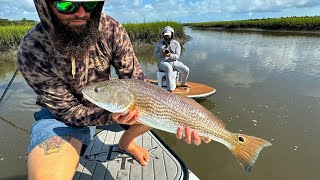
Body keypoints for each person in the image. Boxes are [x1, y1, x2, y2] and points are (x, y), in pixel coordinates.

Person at [18, 0, 210, 179]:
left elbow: (137, 82)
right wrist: (111, 114)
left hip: (111, 101)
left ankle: (126, 143)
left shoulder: (111, 29)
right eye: (67, 5)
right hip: (61, 117)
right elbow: (67, 111)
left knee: (156, 108)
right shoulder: (31, 49)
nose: (82, 13)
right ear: (45, 6)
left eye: (90, 3)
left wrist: (186, 116)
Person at [154, 26, 191, 92]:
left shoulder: (176, 44)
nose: (166, 37)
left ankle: (183, 84)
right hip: (162, 62)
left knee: (186, 69)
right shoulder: (159, 44)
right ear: (163, 35)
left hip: (174, 62)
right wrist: (161, 53)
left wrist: (170, 55)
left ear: (172, 34)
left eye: (168, 35)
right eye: (165, 35)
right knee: (168, 68)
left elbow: (177, 57)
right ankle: (170, 90)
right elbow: (155, 55)